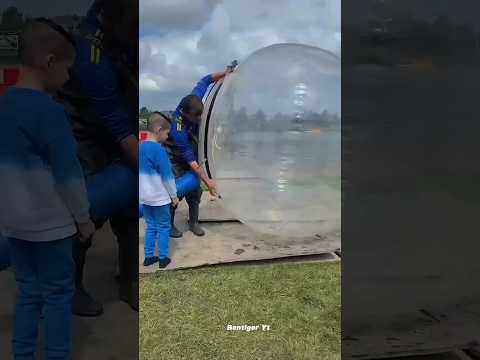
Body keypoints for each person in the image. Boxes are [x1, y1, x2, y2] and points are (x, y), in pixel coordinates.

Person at [0, 19, 95, 359]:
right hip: (51, 225)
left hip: (15, 224)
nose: (69, 79)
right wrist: (83, 220)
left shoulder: (4, 104)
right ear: (50, 61)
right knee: (57, 293)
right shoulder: (50, 111)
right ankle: (57, 353)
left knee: (27, 290)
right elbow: (68, 173)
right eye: (68, 70)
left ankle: (22, 353)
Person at [56, 0, 139, 316]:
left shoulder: (130, 32)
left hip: (122, 122)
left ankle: (131, 282)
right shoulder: (90, 51)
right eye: (133, 29)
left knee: (130, 206)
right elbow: (113, 118)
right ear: (111, 21)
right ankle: (71, 288)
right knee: (86, 208)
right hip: (84, 130)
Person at [165, 69, 232, 238]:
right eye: (196, 119)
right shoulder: (177, 130)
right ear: (186, 115)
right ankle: (169, 225)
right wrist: (208, 181)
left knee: (195, 191)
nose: (199, 120)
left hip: (191, 153)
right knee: (175, 191)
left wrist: (226, 72)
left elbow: (205, 80)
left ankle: (194, 222)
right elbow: (193, 163)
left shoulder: (194, 99)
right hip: (175, 157)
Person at [140, 116, 179, 269]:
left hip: (145, 198)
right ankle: (163, 258)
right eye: (167, 133)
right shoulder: (159, 151)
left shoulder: (140, 148)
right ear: (158, 130)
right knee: (163, 227)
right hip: (160, 198)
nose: (167, 136)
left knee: (151, 226)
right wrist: (174, 196)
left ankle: (149, 256)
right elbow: (168, 177)